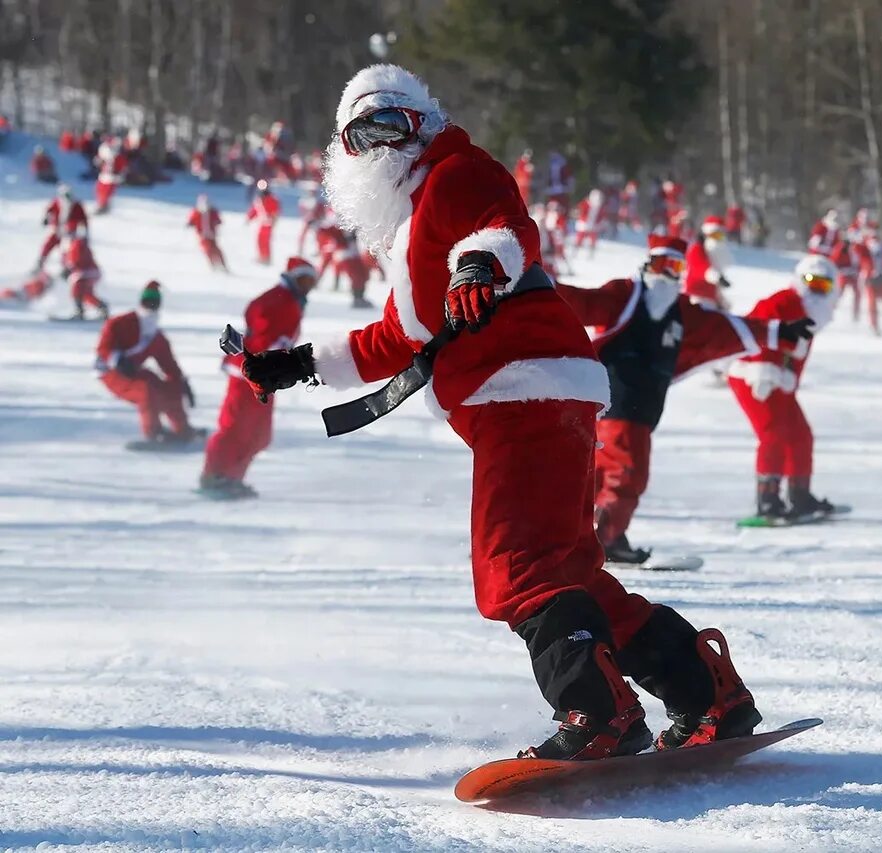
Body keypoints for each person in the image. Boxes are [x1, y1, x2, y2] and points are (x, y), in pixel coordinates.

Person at [235, 63, 761, 760]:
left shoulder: (456, 171)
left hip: (521, 388)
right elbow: (400, 337)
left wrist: (479, 264)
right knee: (572, 571)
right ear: (343, 152)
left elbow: (504, 224)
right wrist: (301, 363)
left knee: (516, 565)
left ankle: (598, 711)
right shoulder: (412, 224)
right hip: (540, 390)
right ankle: (706, 693)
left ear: (423, 124)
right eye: (362, 135)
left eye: (394, 124)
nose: (381, 145)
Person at [557, 234, 813, 563]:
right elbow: (581, 301)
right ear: (647, 265)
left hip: (635, 409)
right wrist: (539, 284)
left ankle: (575, 540)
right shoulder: (627, 295)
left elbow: (723, 328)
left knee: (599, 477)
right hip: (618, 403)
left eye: (676, 267)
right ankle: (606, 539)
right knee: (627, 473)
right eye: (662, 265)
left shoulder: (680, 312)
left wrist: (778, 332)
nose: (667, 275)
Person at [727, 254, 841, 521]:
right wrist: (763, 371)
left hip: (780, 381)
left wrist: (788, 380)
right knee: (773, 435)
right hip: (752, 376)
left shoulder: (813, 312)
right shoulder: (783, 302)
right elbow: (759, 329)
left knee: (801, 434)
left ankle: (799, 495)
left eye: (823, 286)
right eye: (811, 282)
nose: (816, 290)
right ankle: (768, 500)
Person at [200, 258, 317, 498]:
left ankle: (231, 477)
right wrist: (276, 354)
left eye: (312, 282)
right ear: (293, 277)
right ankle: (214, 476)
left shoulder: (288, 300)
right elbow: (262, 326)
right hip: (249, 371)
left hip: (264, 375)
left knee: (259, 435)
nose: (308, 286)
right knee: (234, 427)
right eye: (304, 280)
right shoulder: (279, 299)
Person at [95, 281, 198, 445]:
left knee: (168, 386)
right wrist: (118, 360)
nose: (150, 306)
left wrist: (182, 383)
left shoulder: (157, 337)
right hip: (112, 373)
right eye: (147, 301)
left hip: (134, 372)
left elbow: (170, 366)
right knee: (146, 389)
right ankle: (153, 433)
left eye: (154, 302)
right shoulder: (121, 323)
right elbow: (103, 348)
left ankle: (182, 429)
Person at [682, 215, 733, 309]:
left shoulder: (715, 256)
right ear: (706, 234)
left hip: (710, 300)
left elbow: (715, 288)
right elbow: (701, 268)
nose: (717, 240)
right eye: (714, 235)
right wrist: (717, 277)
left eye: (720, 236)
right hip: (695, 297)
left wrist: (721, 301)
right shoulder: (696, 250)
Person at [35, 185, 88, 272]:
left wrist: (84, 232)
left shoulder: (77, 205)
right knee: (48, 244)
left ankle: (66, 268)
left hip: (70, 232)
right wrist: (46, 219)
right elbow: (49, 211)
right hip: (57, 230)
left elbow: (83, 219)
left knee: (66, 249)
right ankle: (40, 262)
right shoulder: (57, 203)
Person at [62, 228, 108, 320]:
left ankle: (79, 311)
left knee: (77, 289)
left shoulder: (77, 244)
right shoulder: (73, 245)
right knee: (86, 294)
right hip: (88, 273)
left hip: (86, 273)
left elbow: (79, 259)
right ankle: (102, 307)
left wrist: (70, 269)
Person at [187, 194, 228, 271]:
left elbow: (218, 220)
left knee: (216, 249)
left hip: (211, 234)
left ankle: (223, 264)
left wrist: (218, 221)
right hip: (202, 235)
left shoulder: (213, 212)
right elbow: (192, 219)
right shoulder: (196, 212)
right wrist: (190, 223)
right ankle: (213, 265)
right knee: (207, 250)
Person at [247, 180, 280, 264]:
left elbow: (275, 211)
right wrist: (249, 217)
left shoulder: (272, 199)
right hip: (262, 222)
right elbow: (255, 209)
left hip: (268, 222)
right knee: (259, 240)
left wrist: (274, 220)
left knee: (265, 241)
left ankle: (266, 258)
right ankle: (262, 257)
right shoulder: (259, 199)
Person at [95, 139, 127, 213]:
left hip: (112, 178)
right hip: (104, 177)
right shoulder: (105, 157)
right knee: (99, 191)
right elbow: (99, 163)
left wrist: (118, 173)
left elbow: (123, 167)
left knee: (106, 193)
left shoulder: (118, 157)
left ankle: (104, 206)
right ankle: (101, 204)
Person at [573, 188, 605, 257]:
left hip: (593, 226)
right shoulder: (585, 203)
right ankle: (575, 251)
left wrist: (599, 224)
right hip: (584, 225)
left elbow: (601, 216)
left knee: (593, 240)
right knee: (579, 239)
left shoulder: (599, 207)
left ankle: (591, 253)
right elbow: (579, 210)